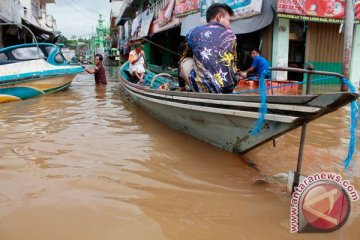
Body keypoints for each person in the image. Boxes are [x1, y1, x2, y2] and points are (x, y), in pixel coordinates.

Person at [180, 3, 239, 93]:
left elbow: (184, 56)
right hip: (228, 89)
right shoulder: (231, 35)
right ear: (219, 16)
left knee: (184, 61)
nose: (230, 25)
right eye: (229, 20)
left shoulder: (193, 32)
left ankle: (186, 88)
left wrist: (181, 85)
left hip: (206, 90)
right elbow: (234, 64)